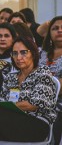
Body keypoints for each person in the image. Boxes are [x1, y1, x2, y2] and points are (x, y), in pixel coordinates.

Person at [39, 16, 62, 145]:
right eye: (55, 28)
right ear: (49, 34)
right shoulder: (40, 53)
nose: (59, 30)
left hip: (58, 103)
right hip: (35, 100)